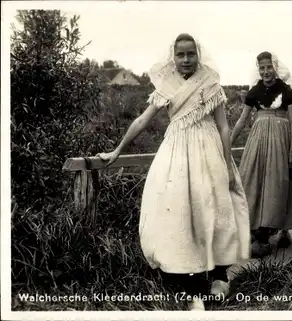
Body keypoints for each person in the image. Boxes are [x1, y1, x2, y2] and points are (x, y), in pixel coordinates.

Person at [96, 33, 250, 311]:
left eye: (191, 54)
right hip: (177, 150)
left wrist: (227, 163)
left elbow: (224, 126)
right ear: (173, 56)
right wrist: (117, 150)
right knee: (179, 211)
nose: (186, 60)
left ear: (198, 55)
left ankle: (219, 275)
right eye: (181, 55)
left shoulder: (210, 82)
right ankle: (191, 284)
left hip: (209, 150)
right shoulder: (166, 84)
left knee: (214, 207)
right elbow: (143, 120)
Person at [230, 51, 292, 258]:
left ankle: (281, 229)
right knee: (253, 180)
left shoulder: (286, 90)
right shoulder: (254, 92)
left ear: (275, 68)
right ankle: (257, 229)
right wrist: (227, 145)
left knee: (278, 182)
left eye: (269, 67)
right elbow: (242, 120)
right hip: (258, 140)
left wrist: (291, 151)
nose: (266, 72)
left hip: (281, 141)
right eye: (262, 68)